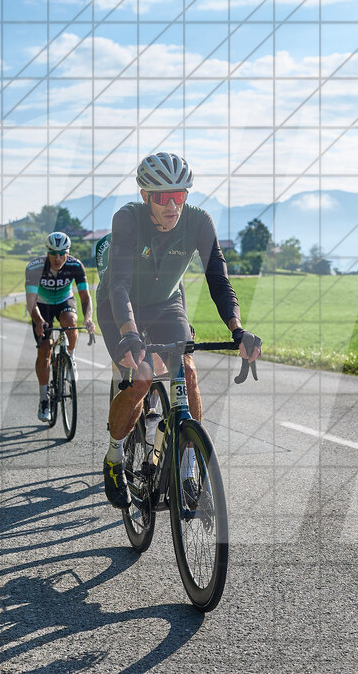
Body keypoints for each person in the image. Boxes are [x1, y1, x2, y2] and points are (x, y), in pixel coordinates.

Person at [96, 151, 261, 509]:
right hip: (119, 305)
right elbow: (119, 282)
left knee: (186, 370)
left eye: (179, 195)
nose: (172, 205)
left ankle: (187, 467)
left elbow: (218, 278)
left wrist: (238, 330)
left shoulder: (199, 222)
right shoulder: (127, 218)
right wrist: (129, 332)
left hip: (166, 302)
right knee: (141, 378)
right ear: (145, 196)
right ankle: (114, 456)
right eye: (162, 197)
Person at [26, 231, 95, 422]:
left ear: (68, 252)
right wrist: (39, 321)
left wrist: (88, 318)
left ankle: (70, 356)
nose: (57, 258)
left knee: (70, 322)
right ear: (47, 252)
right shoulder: (35, 267)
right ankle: (44, 399)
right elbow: (31, 301)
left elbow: (85, 297)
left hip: (64, 300)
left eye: (62, 253)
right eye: (53, 253)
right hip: (42, 306)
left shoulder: (75, 266)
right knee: (45, 350)